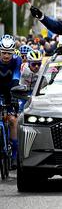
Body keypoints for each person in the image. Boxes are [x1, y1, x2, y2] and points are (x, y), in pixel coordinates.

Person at [0, 37, 22, 169]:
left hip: (11, 91)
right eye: (3, 52)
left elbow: (16, 77)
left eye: (9, 52)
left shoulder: (16, 60)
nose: (6, 55)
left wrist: (14, 96)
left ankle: (14, 155)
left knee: (13, 120)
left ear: (13, 52)